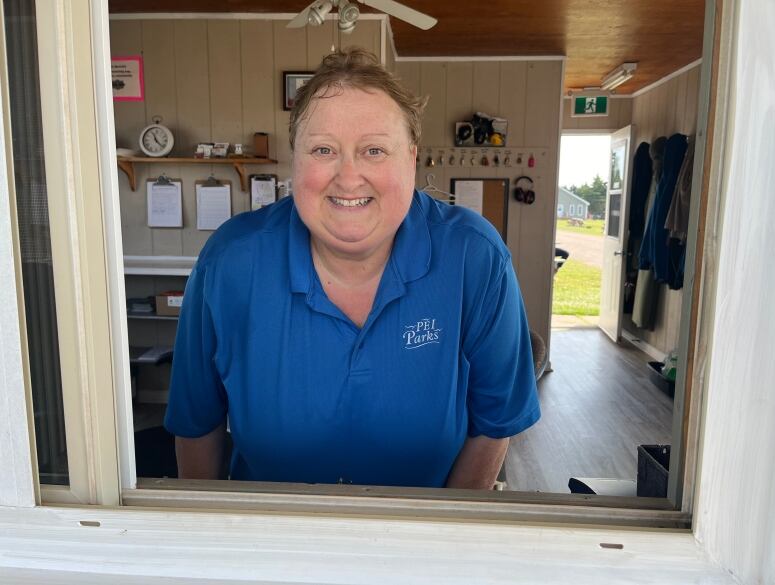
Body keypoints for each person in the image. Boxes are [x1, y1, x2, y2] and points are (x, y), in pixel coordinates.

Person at [164, 48, 540, 489]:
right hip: (269, 535)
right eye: (323, 149)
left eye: (375, 150)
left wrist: (443, 538)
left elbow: (495, 423)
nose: (348, 177)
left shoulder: (474, 257)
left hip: (420, 538)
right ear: (296, 160)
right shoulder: (230, 262)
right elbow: (196, 422)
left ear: (411, 159)